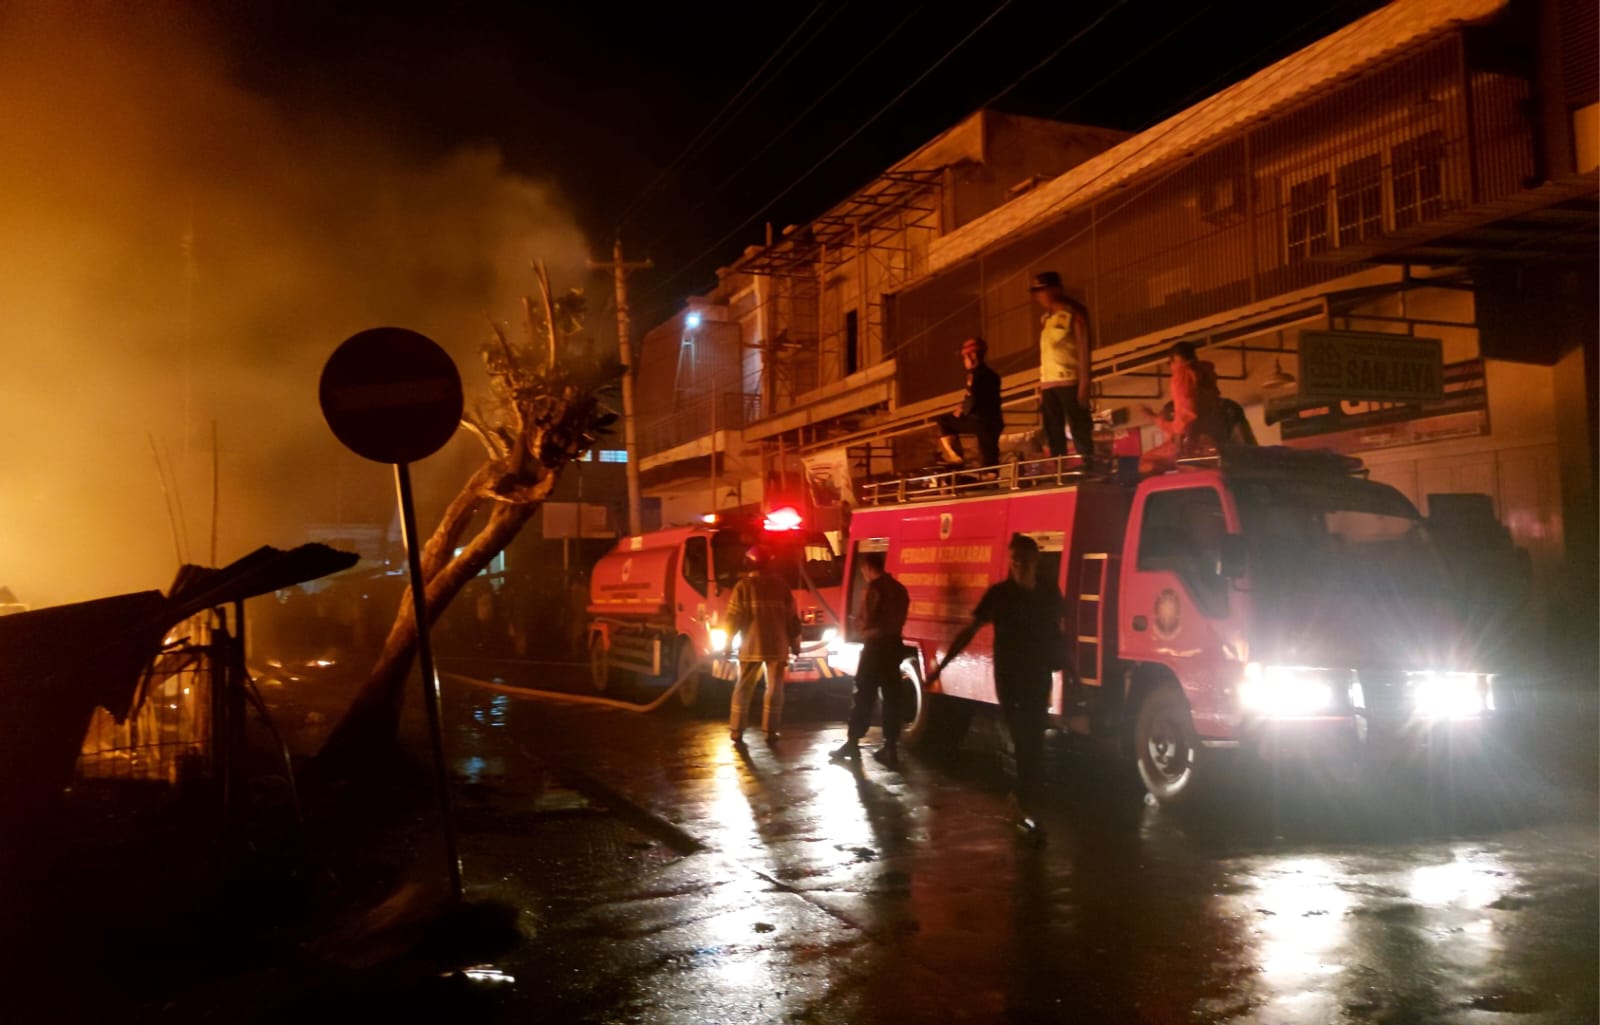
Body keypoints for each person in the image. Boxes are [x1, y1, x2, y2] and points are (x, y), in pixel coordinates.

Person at [927, 534, 1063, 843]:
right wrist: (941, 666)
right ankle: (1026, 809)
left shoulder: (1048, 593)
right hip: (1011, 681)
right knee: (1025, 742)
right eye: (1014, 560)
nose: (1018, 566)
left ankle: (1022, 803)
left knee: (1034, 744)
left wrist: (1077, 678)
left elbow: (1058, 636)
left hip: (1038, 678)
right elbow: (969, 631)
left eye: (1023, 560)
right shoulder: (1000, 595)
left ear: (1035, 560)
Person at [831, 551, 912, 769]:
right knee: (892, 697)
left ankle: (852, 743)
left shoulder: (874, 590)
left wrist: (858, 624)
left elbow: (865, 622)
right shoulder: (900, 589)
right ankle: (890, 747)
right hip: (894, 645)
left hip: (875, 647)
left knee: (864, 694)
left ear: (868, 568)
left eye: (863, 570)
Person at [725, 545, 801, 746]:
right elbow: (793, 619)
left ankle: (737, 730)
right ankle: (771, 731)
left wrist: (727, 644)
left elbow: (733, 619)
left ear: (748, 563)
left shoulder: (743, 587)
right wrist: (796, 645)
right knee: (775, 689)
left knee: (743, 687)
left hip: (752, 646)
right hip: (777, 646)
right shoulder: (781, 586)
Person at [1029, 271, 1096, 465]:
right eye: (1037, 292)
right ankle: (1059, 467)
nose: (1039, 296)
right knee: (1053, 430)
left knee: (1078, 425)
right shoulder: (1046, 319)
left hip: (1070, 380)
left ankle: (1088, 464)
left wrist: (1085, 381)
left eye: (1043, 290)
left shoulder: (1074, 313)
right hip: (1049, 384)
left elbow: (1084, 347)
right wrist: (1041, 386)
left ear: (1056, 289)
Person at [1139, 342, 1229, 474]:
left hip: (1193, 442)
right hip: (1214, 437)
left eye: (1170, 363)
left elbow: (1185, 417)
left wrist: (1155, 419)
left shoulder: (1182, 376)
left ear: (1175, 359)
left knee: (1146, 462)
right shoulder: (1205, 373)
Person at [934, 337, 1004, 469]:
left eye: (964, 357)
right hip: (994, 422)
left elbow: (972, 397)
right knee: (990, 455)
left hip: (980, 420)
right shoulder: (993, 375)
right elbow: (986, 398)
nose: (964, 361)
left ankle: (956, 458)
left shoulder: (974, 375)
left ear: (973, 356)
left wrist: (961, 411)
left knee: (945, 421)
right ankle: (992, 475)